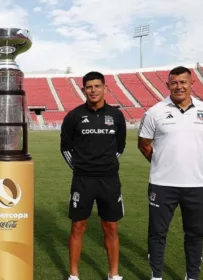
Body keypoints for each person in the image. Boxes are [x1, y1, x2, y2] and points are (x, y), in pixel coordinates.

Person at [138, 66, 203, 280]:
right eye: (174, 82)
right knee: (157, 233)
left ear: (191, 83)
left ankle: (191, 276)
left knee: (195, 235)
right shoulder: (154, 112)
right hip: (162, 184)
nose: (179, 86)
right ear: (167, 85)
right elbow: (144, 144)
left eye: (183, 82)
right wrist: (161, 162)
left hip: (197, 185)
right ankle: (156, 276)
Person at [60, 71, 126, 280]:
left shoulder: (116, 115)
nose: (93, 90)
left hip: (109, 180)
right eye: (89, 87)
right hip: (83, 180)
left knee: (111, 226)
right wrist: (82, 168)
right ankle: (74, 275)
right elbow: (65, 148)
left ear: (105, 88)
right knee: (78, 226)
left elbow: (120, 146)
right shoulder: (74, 116)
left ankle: (114, 274)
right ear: (83, 90)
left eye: (97, 86)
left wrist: (105, 166)